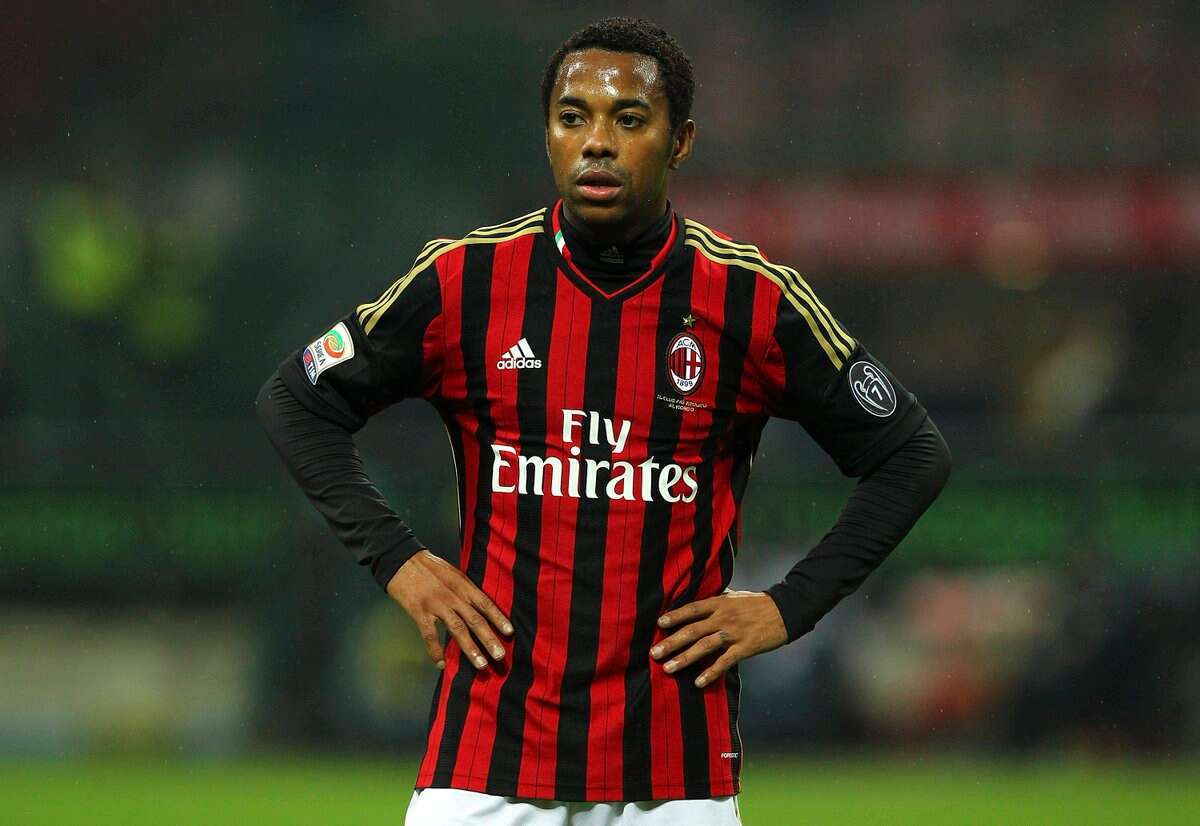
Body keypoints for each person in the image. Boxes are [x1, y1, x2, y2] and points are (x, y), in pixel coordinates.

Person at [256, 16, 950, 826]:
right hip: (486, 763)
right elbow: (294, 400)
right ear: (547, 134)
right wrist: (400, 562)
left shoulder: (751, 299)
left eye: (628, 119)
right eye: (572, 117)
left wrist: (789, 606)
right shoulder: (466, 279)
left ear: (680, 141)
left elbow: (912, 454)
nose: (596, 143)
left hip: (674, 776)